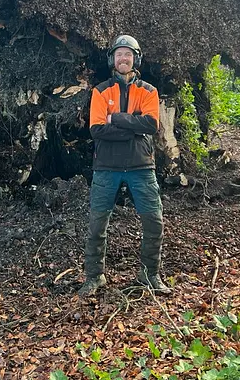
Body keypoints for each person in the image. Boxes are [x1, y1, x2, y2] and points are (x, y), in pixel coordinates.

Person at [79, 35, 171, 297]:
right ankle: (94, 276)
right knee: (97, 224)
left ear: (136, 59)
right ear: (112, 59)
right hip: (106, 167)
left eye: (128, 54)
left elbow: (151, 125)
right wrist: (133, 126)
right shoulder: (100, 91)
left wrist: (115, 118)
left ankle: (149, 274)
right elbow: (97, 130)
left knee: (154, 221)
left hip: (142, 167)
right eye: (119, 54)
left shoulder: (149, 91)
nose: (123, 58)